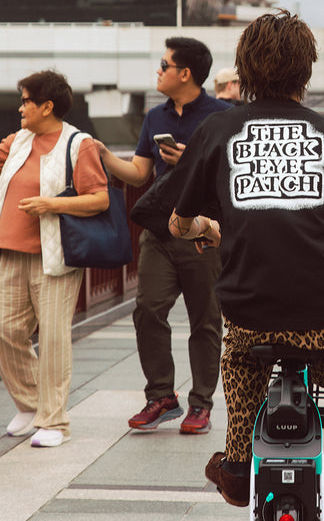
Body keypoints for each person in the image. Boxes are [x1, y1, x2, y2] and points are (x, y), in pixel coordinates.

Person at [166, 10, 324, 521]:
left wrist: (207, 229)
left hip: (251, 314)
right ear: (306, 73)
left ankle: (239, 466)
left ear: (245, 72)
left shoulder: (218, 131)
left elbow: (179, 223)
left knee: (240, 361)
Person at [95, 37, 231, 434]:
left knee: (205, 319)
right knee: (148, 310)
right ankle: (161, 396)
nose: (158, 71)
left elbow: (230, 174)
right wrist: (104, 155)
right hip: (159, 231)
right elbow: (140, 173)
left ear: (184, 73)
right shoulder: (155, 117)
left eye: (164, 65)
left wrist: (191, 157)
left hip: (203, 230)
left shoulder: (222, 115)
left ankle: (201, 405)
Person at [0, 70, 109, 447]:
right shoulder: (18, 140)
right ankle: (32, 403)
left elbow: (98, 198)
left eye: (25, 101)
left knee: (52, 338)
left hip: (56, 256)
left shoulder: (77, 144)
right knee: (0, 330)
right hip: (10, 251)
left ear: (47, 106)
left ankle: (54, 421)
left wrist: (51, 204)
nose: (20, 108)